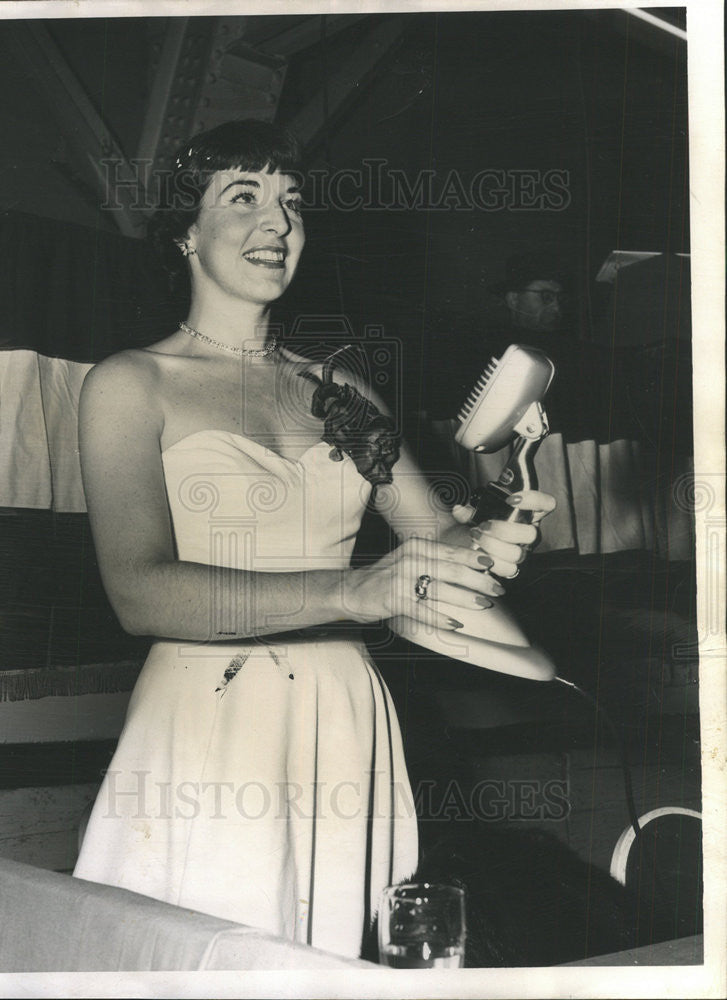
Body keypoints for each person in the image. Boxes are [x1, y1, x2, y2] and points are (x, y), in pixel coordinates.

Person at [71, 120, 555, 960]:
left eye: (291, 203)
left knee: (329, 963)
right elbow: (138, 591)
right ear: (186, 230)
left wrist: (501, 503)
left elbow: (440, 555)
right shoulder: (129, 384)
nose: (278, 223)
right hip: (210, 721)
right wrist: (351, 591)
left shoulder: (342, 389)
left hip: (342, 714)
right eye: (244, 197)